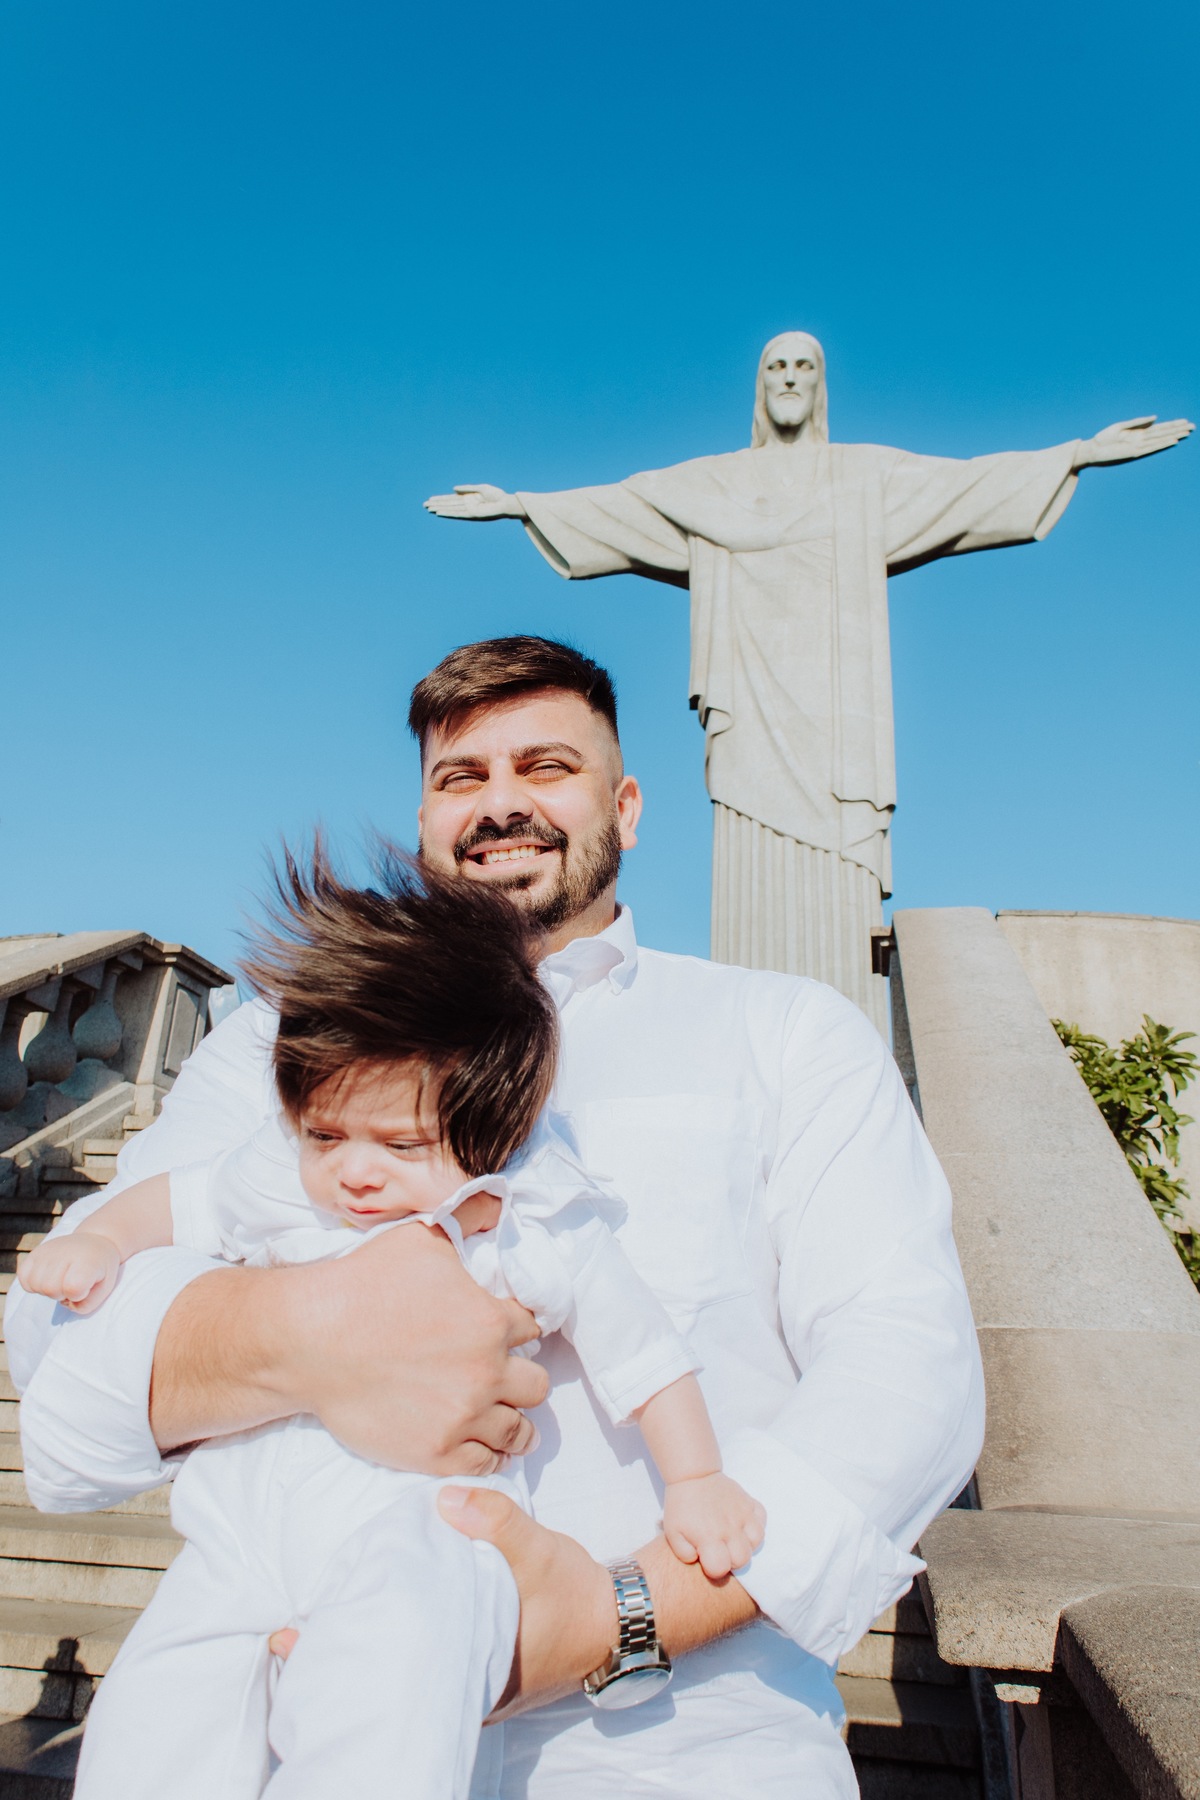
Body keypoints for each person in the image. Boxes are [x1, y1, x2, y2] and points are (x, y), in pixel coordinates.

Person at [9, 635, 985, 1800]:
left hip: (684, 1750)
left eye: (546, 767)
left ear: (624, 806)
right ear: (423, 818)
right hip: (289, 1719)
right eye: (459, 777)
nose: (500, 802)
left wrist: (613, 1614)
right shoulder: (275, 1047)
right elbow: (62, 1369)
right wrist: (313, 1335)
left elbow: (909, 1370)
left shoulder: (786, 1034)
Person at [20, 848, 761, 1798]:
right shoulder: (288, 1179)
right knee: (152, 1725)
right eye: (327, 1134)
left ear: (490, 1130)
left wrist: (696, 1481)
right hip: (242, 1533)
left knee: (387, 1709)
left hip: (419, 1528)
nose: (356, 1171)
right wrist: (105, 1243)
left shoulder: (525, 1213)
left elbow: (645, 1355)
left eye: (401, 1144)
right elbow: (184, 1199)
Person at [424, 334, 1193, 1027]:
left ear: (820, 385)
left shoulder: (865, 477)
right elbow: (625, 504)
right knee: (752, 867)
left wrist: (1075, 455)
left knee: (834, 871)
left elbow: (967, 486)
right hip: (749, 718)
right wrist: (522, 505)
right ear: (759, 387)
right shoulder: (711, 486)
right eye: (775, 368)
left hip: (837, 725)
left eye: (803, 367)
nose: (789, 378)